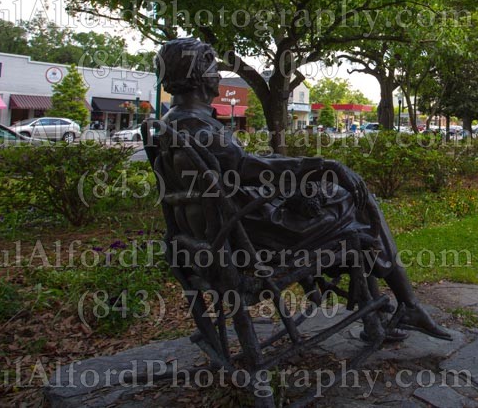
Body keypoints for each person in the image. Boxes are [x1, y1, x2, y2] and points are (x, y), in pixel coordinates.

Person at [155, 38, 450, 341]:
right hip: (258, 241)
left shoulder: (173, 124)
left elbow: (245, 168)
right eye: (213, 68)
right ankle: (407, 305)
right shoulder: (199, 129)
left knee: (343, 207)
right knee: (358, 206)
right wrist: (324, 166)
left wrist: (304, 178)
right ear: (198, 75)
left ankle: (377, 316)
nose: (218, 74)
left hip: (228, 235)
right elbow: (250, 168)